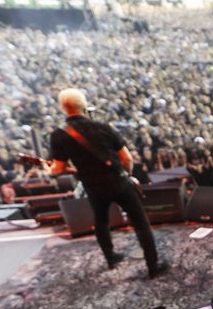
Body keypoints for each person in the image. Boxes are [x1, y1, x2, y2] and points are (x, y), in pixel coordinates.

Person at [49, 89, 169, 278]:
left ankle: (111, 258)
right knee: (140, 222)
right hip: (118, 181)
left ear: (63, 109)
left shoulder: (59, 135)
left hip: (93, 187)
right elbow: (127, 158)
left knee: (101, 221)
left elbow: (57, 169)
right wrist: (126, 174)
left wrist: (52, 169)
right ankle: (153, 265)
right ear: (84, 105)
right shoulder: (103, 127)